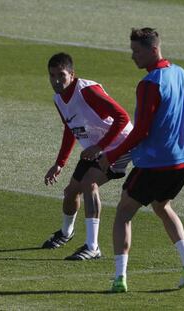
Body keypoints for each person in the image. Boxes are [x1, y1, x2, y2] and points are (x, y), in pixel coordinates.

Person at [99, 27, 184, 293]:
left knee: (123, 213)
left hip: (157, 163)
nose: (132, 57)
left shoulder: (150, 83)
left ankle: (119, 279)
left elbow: (141, 130)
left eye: (137, 51)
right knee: (162, 206)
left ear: (153, 50)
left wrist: (113, 155)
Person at [42, 52, 133, 260]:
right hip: (96, 148)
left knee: (88, 183)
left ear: (72, 75)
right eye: (52, 75)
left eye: (61, 75)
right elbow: (70, 128)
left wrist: (100, 146)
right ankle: (66, 233)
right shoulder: (59, 98)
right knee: (70, 192)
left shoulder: (87, 91)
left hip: (121, 144)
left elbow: (122, 117)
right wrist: (59, 163)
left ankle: (92, 247)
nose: (56, 81)